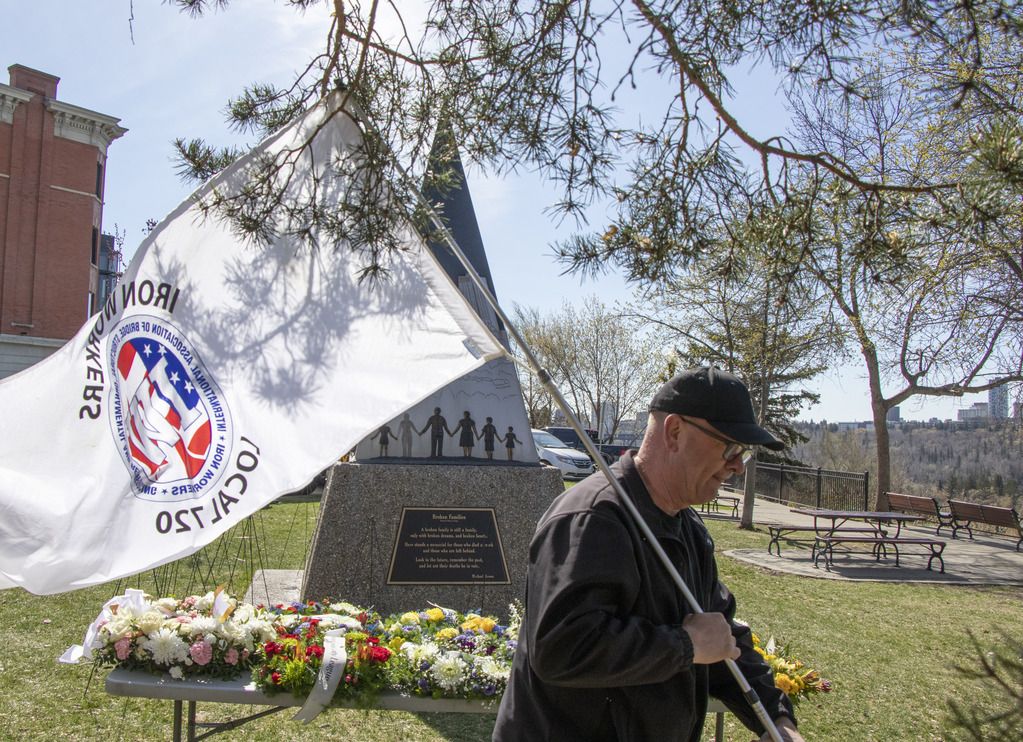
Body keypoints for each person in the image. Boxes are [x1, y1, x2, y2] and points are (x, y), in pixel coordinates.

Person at [492, 367, 803, 742]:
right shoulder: (592, 519)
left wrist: (776, 721)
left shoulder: (688, 528)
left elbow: (720, 636)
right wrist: (685, 646)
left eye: (743, 454)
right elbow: (561, 648)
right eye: (730, 448)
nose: (737, 466)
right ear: (675, 432)